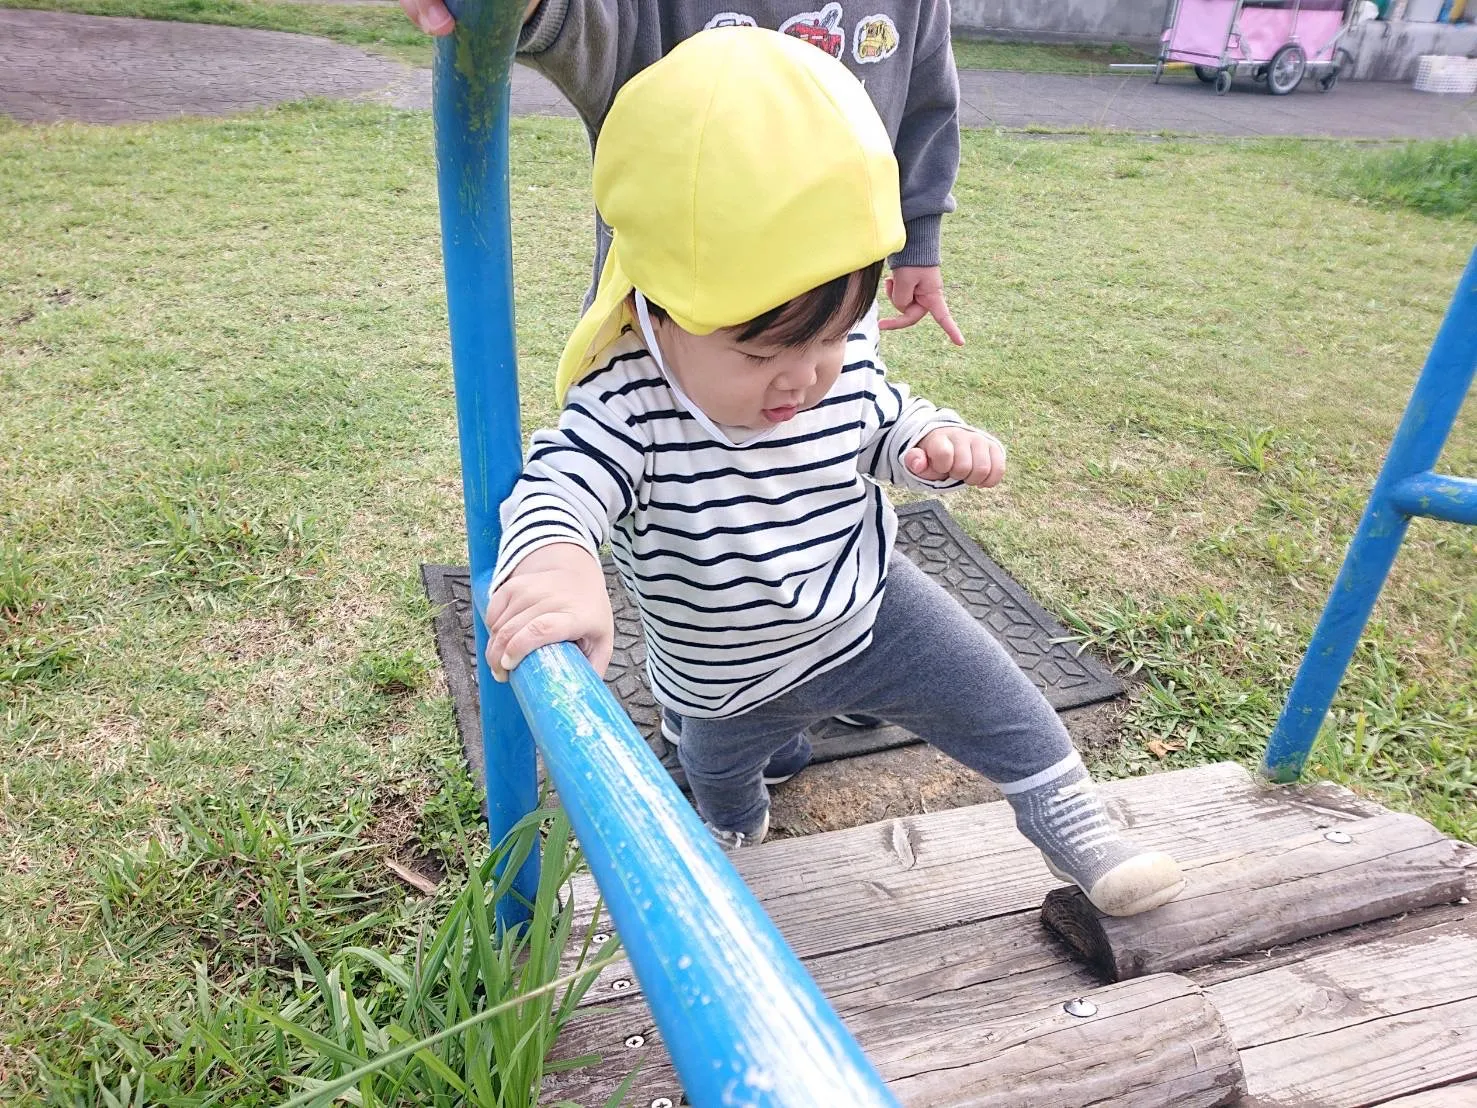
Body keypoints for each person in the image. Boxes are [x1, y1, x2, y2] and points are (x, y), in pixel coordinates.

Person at [482, 27, 1185, 917]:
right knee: (727, 782)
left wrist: (935, 443)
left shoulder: (832, 354)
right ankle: (738, 822)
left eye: (829, 336)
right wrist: (555, 562)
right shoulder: (629, 400)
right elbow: (561, 482)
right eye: (764, 348)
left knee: (1001, 699)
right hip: (727, 680)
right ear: (655, 306)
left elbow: (877, 415)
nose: (804, 376)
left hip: (870, 612)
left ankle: (1077, 826)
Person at [399, 0, 966, 346]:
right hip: (670, 332)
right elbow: (578, 22)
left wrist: (918, 241)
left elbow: (924, 105)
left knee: (815, 480)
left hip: (828, 312)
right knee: (655, 508)